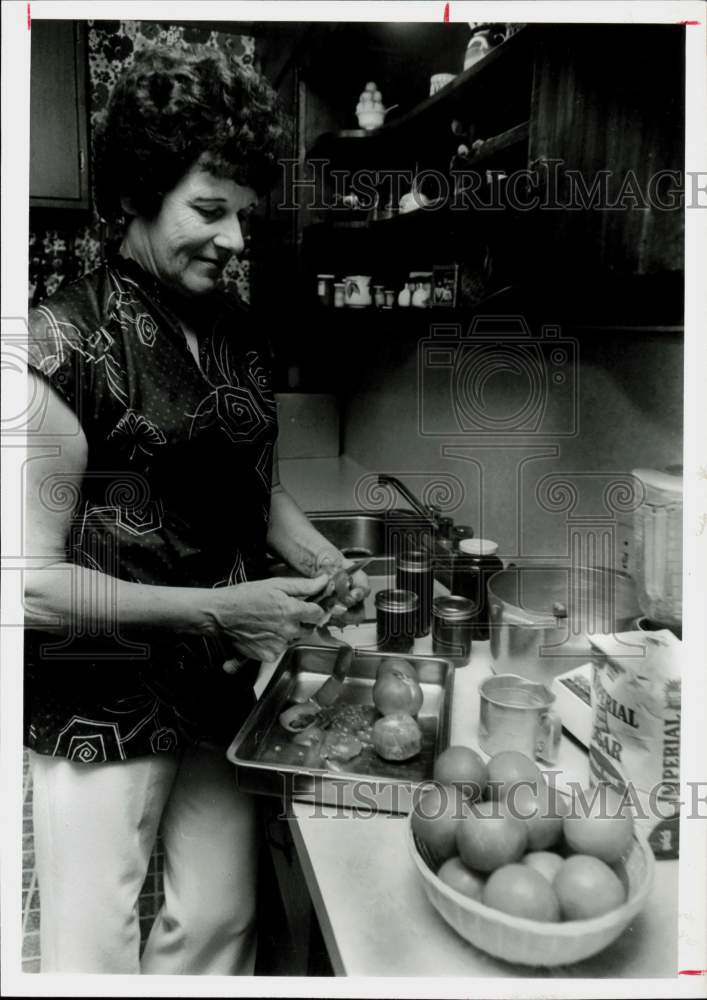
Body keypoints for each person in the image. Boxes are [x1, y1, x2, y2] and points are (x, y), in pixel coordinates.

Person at [23, 44, 369, 975]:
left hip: (218, 687)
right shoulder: (63, 340)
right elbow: (31, 588)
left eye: (243, 218)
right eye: (209, 212)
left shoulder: (238, 328)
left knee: (218, 920)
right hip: (97, 697)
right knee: (94, 951)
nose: (233, 241)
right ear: (139, 194)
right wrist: (219, 608)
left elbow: (252, 489)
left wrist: (319, 562)